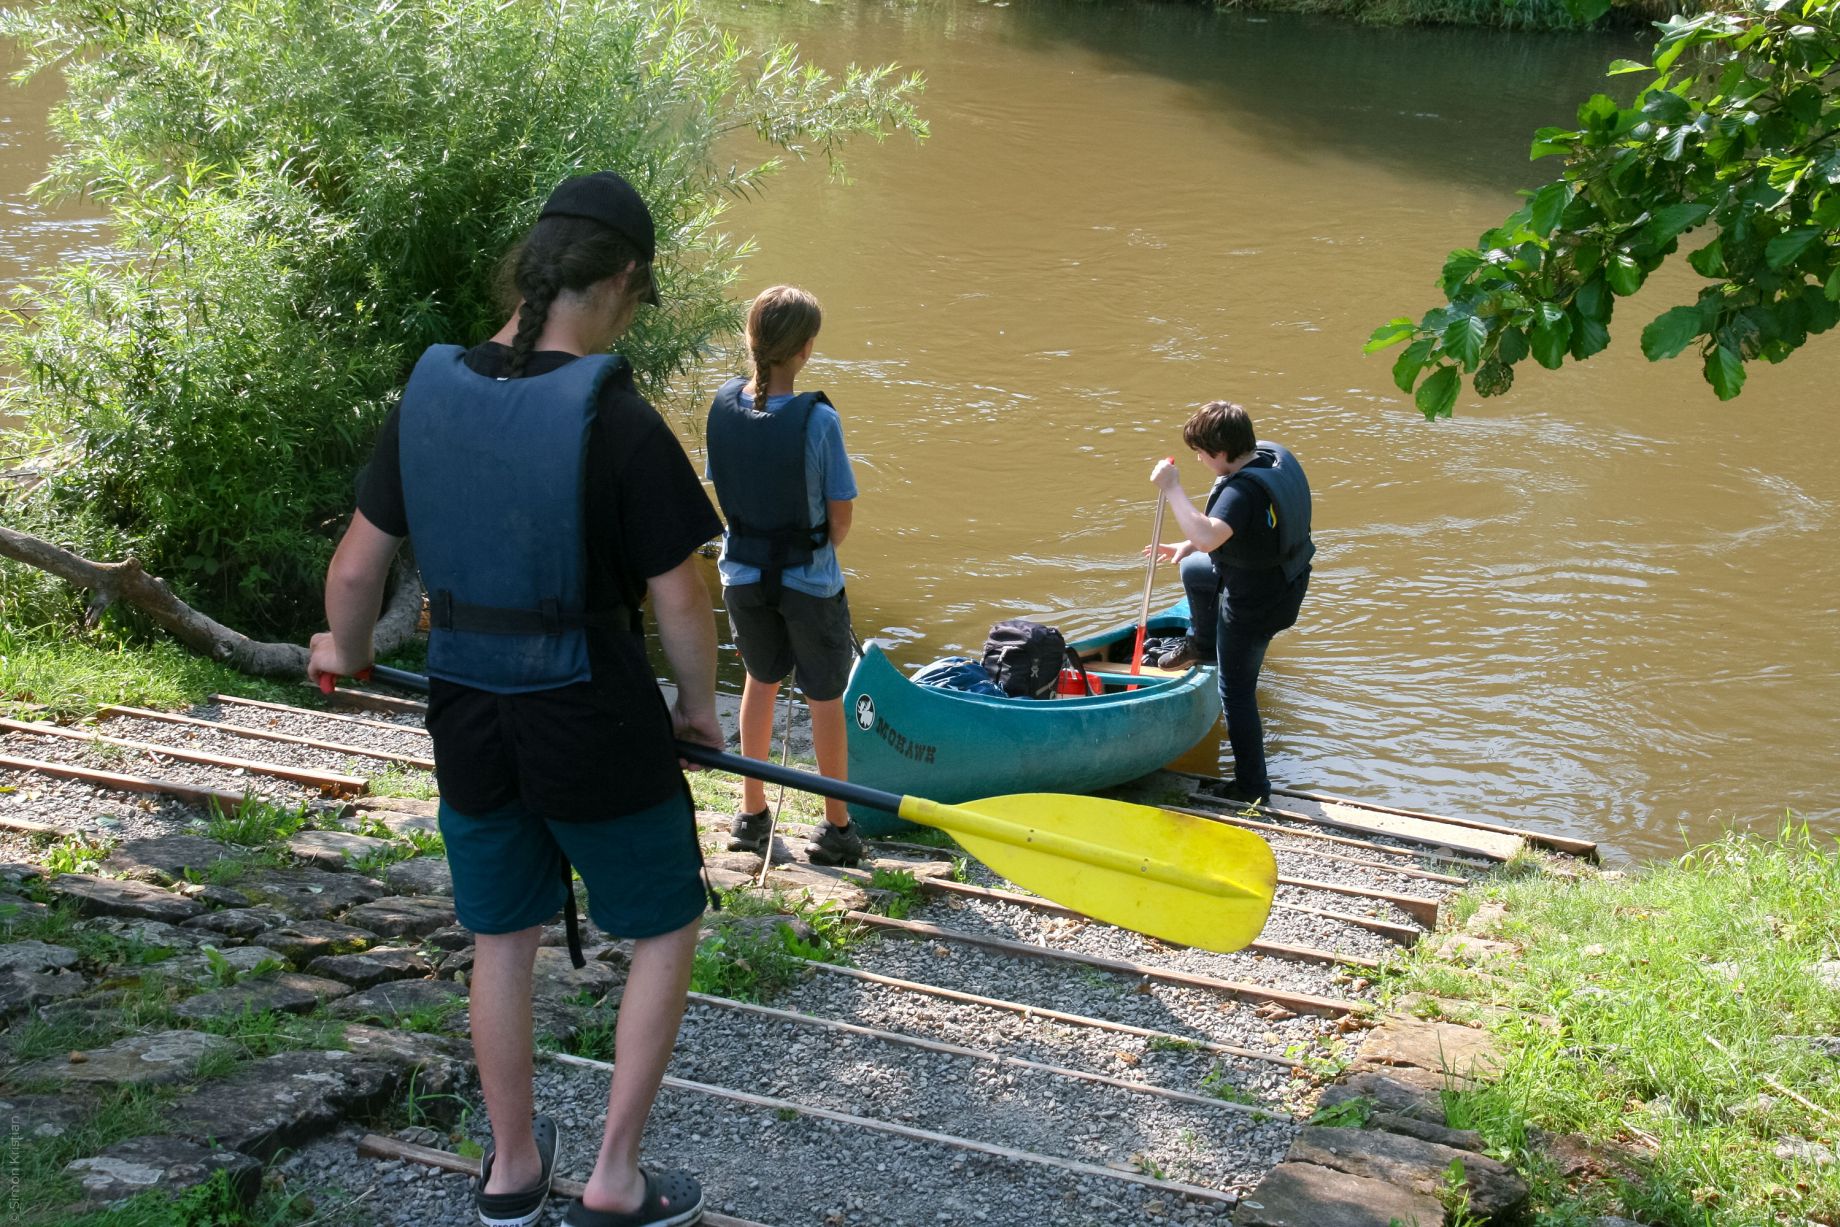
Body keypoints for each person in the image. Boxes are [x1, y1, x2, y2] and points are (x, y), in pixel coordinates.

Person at [308, 170, 719, 1227]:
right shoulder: (618, 420)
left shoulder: (429, 395)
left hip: (469, 715)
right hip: (595, 718)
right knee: (665, 921)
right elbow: (682, 597)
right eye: (637, 297)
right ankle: (615, 1175)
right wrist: (697, 708)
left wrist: (345, 652)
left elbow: (354, 574)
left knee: (502, 934)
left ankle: (511, 1171)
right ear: (622, 280)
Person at [704, 285, 862, 867]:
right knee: (825, 697)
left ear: (751, 340)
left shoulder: (722, 406)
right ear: (806, 349)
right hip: (809, 581)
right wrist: (813, 553)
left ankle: (751, 815)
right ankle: (836, 826)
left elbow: (723, 485)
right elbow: (840, 516)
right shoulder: (819, 420)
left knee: (759, 678)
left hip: (742, 575)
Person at [1148, 401, 1313, 807]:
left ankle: (1252, 787)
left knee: (1236, 694)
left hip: (1257, 604)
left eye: (1201, 453)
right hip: (1284, 581)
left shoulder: (1240, 491)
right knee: (1194, 568)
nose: (1199, 460)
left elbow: (1209, 536)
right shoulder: (1271, 458)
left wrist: (1172, 488)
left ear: (1220, 452)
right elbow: (1225, 536)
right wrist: (1188, 545)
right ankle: (1204, 645)